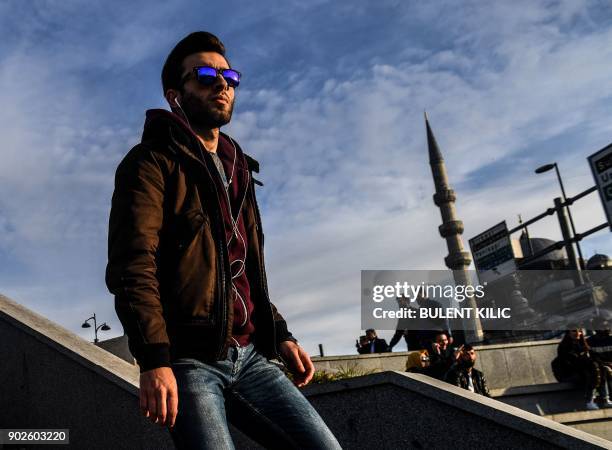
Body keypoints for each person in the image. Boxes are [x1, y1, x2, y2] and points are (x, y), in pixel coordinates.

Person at [105, 31, 341, 449]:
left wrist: (280, 334)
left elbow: (243, 268)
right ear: (175, 94)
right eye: (205, 75)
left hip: (250, 357)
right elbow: (133, 265)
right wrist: (154, 359)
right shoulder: (150, 164)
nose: (222, 84)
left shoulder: (240, 171)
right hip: (187, 359)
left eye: (229, 76)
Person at [555, 327, 611, 410]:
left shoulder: (583, 345)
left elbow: (595, 357)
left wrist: (605, 364)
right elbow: (571, 363)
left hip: (585, 370)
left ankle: (605, 399)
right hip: (569, 374)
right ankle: (590, 400)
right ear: (568, 333)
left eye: (579, 331)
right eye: (574, 331)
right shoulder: (564, 346)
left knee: (602, 368)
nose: (577, 333)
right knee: (592, 370)